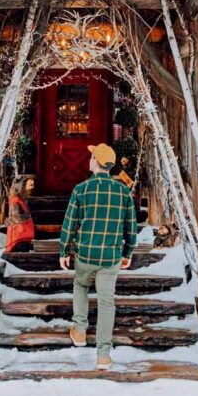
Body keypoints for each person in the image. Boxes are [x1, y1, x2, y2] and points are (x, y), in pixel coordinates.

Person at [59, 143, 138, 369]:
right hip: (110, 256)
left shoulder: (81, 189)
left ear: (95, 162)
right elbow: (130, 227)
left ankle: (80, 331)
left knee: (81, 286)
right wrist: (128, 252)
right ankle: (103, 354)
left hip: (85, 254)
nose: (90, 159)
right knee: (106, 302)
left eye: (92, 156)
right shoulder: (123, 192)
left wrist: (64, 250)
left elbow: (70, 223)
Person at [4, 176, 36, 252]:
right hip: (18, 237)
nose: (31, 189)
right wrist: (28, 216)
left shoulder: (21, 200)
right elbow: (16, 217)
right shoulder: (16, 201)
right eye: (29, 186)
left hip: (22, 236)